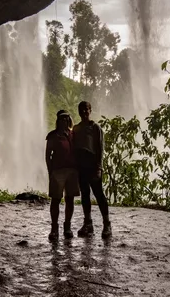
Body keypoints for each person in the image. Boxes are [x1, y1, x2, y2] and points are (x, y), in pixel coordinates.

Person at [72, 101, 111, 238]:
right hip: (81, 165)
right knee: (85, 195)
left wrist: (99, 167)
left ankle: (107, 224)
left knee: (99, 194)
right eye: (81, 110)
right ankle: (88, 224)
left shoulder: (95, 128)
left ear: (90, 110)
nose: (84, 112)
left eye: (86, 109)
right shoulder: (76, 128)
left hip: (92, 165)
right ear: (78, 112)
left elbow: (100, 149)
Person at [45, 109, 80, 240]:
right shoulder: (53, 136)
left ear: (69, 120)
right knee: (55, 200)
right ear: (58, 121)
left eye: (66, 118)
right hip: (58, 171)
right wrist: (50, 171)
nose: (64, 121)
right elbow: (48, 155)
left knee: (70, 199)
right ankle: (54, 228)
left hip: (72, 171)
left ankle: (67, 227)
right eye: (61, 119)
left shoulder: (73, 134)